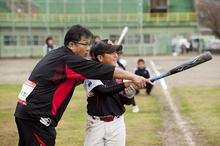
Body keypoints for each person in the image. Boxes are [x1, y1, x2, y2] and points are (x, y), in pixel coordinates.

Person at [14, 24, 152, 146]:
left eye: (89, 44)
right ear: (72, 45)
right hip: (36, 116)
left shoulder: (59, 55)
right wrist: (132, 76)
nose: (88, 48)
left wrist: (127, 86)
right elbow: (100, 71)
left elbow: (70, 80)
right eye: (84, 44)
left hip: (27, 112)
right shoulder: (69, 59)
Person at [83, 39, 137, 146]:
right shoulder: (91, 73)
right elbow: (103, 91)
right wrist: (126, 84)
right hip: (96, 124)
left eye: (116, 53)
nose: (116, 56)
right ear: (100, 58)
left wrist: (130, 95)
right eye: (111, 53)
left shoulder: (120, 73)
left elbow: (126, 101)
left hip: (117, 123)